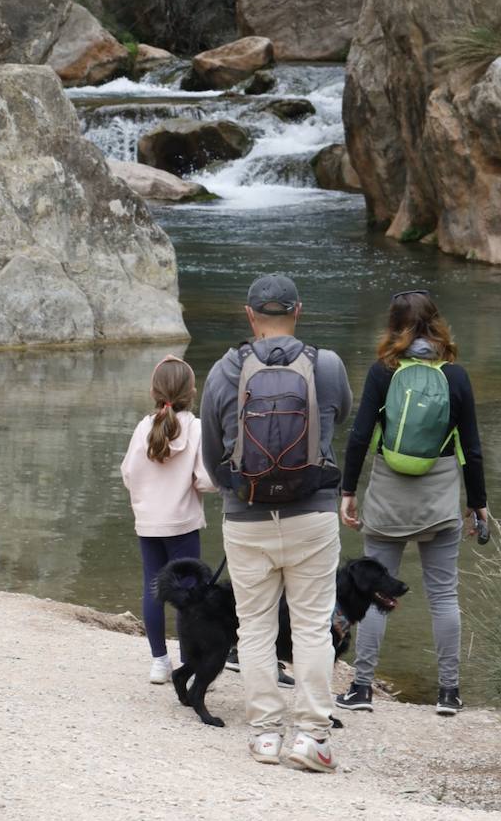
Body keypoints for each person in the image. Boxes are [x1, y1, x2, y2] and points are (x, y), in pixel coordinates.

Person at [200, 273, 352, 772]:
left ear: (249, 315)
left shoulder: (224, 371)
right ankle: (311, 737)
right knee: (311, 627)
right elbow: (342, 416)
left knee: (256, 626)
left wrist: (240, 490)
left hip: (246, 520)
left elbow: (210, 454)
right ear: (298, 311)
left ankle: (265, 735)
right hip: (312, 514)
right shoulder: (326, 365)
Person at [338, 289, 488, 716]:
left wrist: (348, 491)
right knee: (443, 596)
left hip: (388, 497)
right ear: (438, 324)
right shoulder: (455, 376)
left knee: (372, 595)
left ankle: (362, 688)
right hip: (439, 499)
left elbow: (360, 436)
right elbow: (472, 449)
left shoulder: (383, 371)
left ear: (393, 325)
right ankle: (448, 693)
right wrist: (478, 503)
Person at [120, 354, 216, 684]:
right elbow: (206, 480)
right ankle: (189, 665)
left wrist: (144, 501)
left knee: (153, 589)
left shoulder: (144, 427)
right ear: (192, 391)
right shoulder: (198, 428)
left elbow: (128, 472)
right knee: (191, 595)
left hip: (148, 523)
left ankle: (159, 663)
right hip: (183, 525)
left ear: (153, 391)